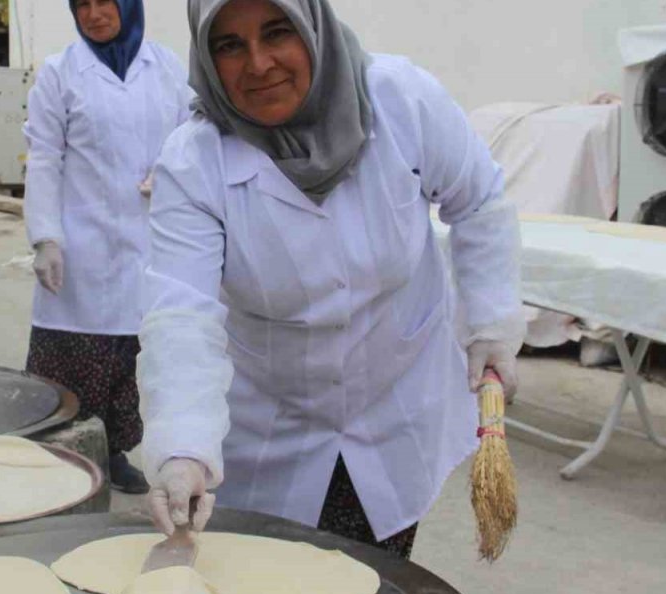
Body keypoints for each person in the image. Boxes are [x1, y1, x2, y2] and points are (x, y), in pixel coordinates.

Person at [138, 0, 524, 558]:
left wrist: (489, 319)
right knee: (272, 591)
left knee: (376, 583)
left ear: (312, 26)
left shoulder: (401, 103)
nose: (259, 63)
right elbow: (181, 310)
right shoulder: (194, 162)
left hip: (397, 406)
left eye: (277, 32)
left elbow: (480, 200)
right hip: (274, 426)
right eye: (229, 45)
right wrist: (182, 445)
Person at [23, 0, 193, 494]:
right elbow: (44, 156)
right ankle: (59, 453)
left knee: (131, 355)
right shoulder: (60, 73)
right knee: (74, 355)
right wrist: (45, 237)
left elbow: (194, 135)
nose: (95, 14)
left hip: (149, 237)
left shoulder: (166, 68)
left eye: (105, 2)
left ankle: (113, 451)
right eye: (83, 5)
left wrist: (170, 169)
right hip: (82, 241)